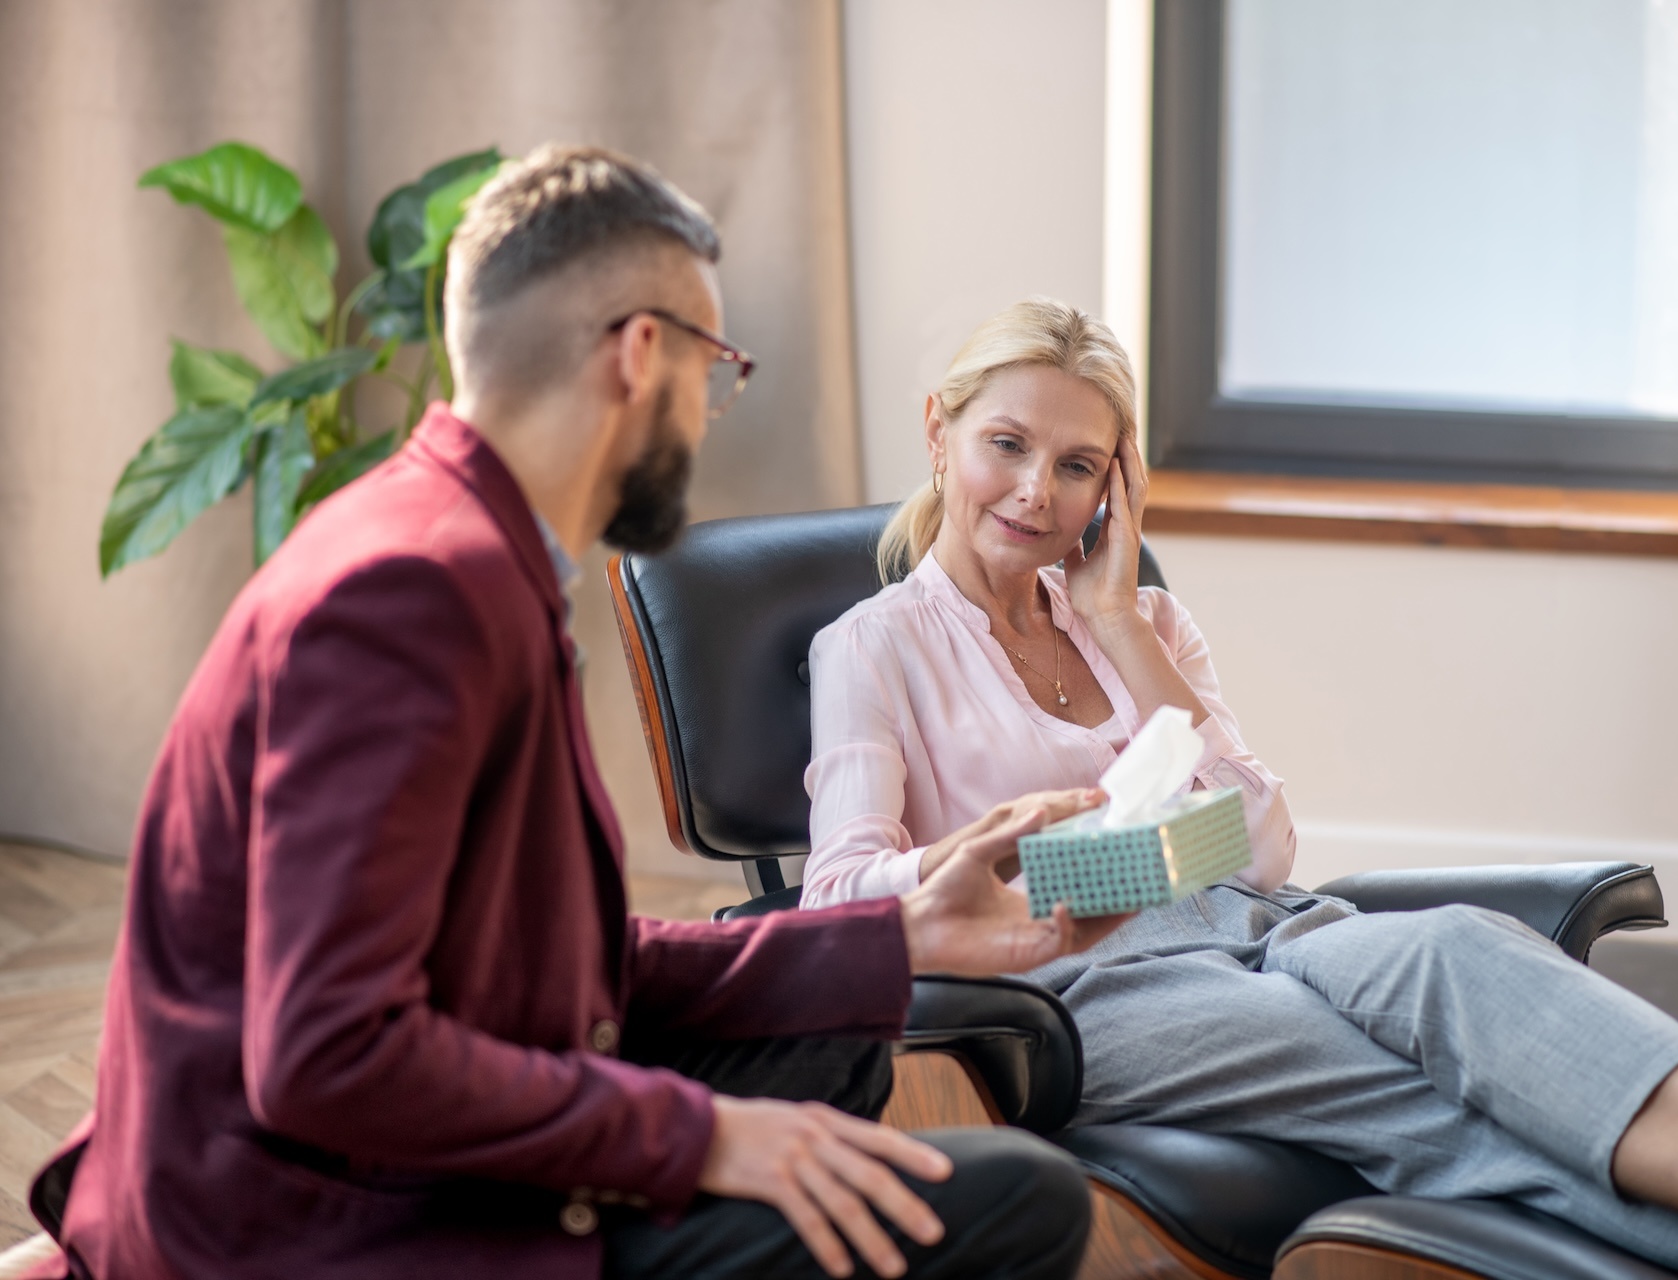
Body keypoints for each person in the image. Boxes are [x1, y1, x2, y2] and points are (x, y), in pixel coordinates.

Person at [24, 149, 1126, 1280]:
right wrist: (703, 1138)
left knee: (832, 1021)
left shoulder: (466, 550)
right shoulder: (410, 593)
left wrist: (894, 935)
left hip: (396, 1146)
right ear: (643, 353)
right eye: (717, 368)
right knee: (1016, 1202)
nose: (708, 409)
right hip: (305, 1223)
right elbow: (325, 1053)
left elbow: (560, 963)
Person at [799, 297, 1678, 1280]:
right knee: (1421, 1089)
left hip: (1261, 920)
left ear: (1116, 482)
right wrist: (1056, 859)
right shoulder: (874, 648)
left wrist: (1114, 619)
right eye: (1008, 443)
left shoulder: (1143, 621)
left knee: (1463, 952)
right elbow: (838, 897)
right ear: (939, 432)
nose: (1039, 491)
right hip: (1083, 984)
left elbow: (1260, 846)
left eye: (1080, 463)